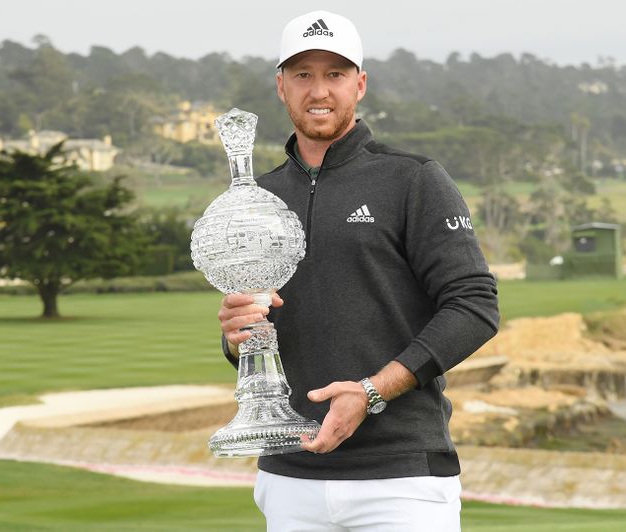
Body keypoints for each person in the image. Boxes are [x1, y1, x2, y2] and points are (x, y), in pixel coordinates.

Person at [217, 10, 499, 531]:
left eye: (335, 74)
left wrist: (372, 392)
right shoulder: (261, 198)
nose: (318, 90)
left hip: (401, 481)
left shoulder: (412, 179)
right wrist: (236, 337)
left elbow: (475, 306)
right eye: (303, 74)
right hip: (290, 478)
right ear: (280, 86)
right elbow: (255, 336)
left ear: (360, 84)